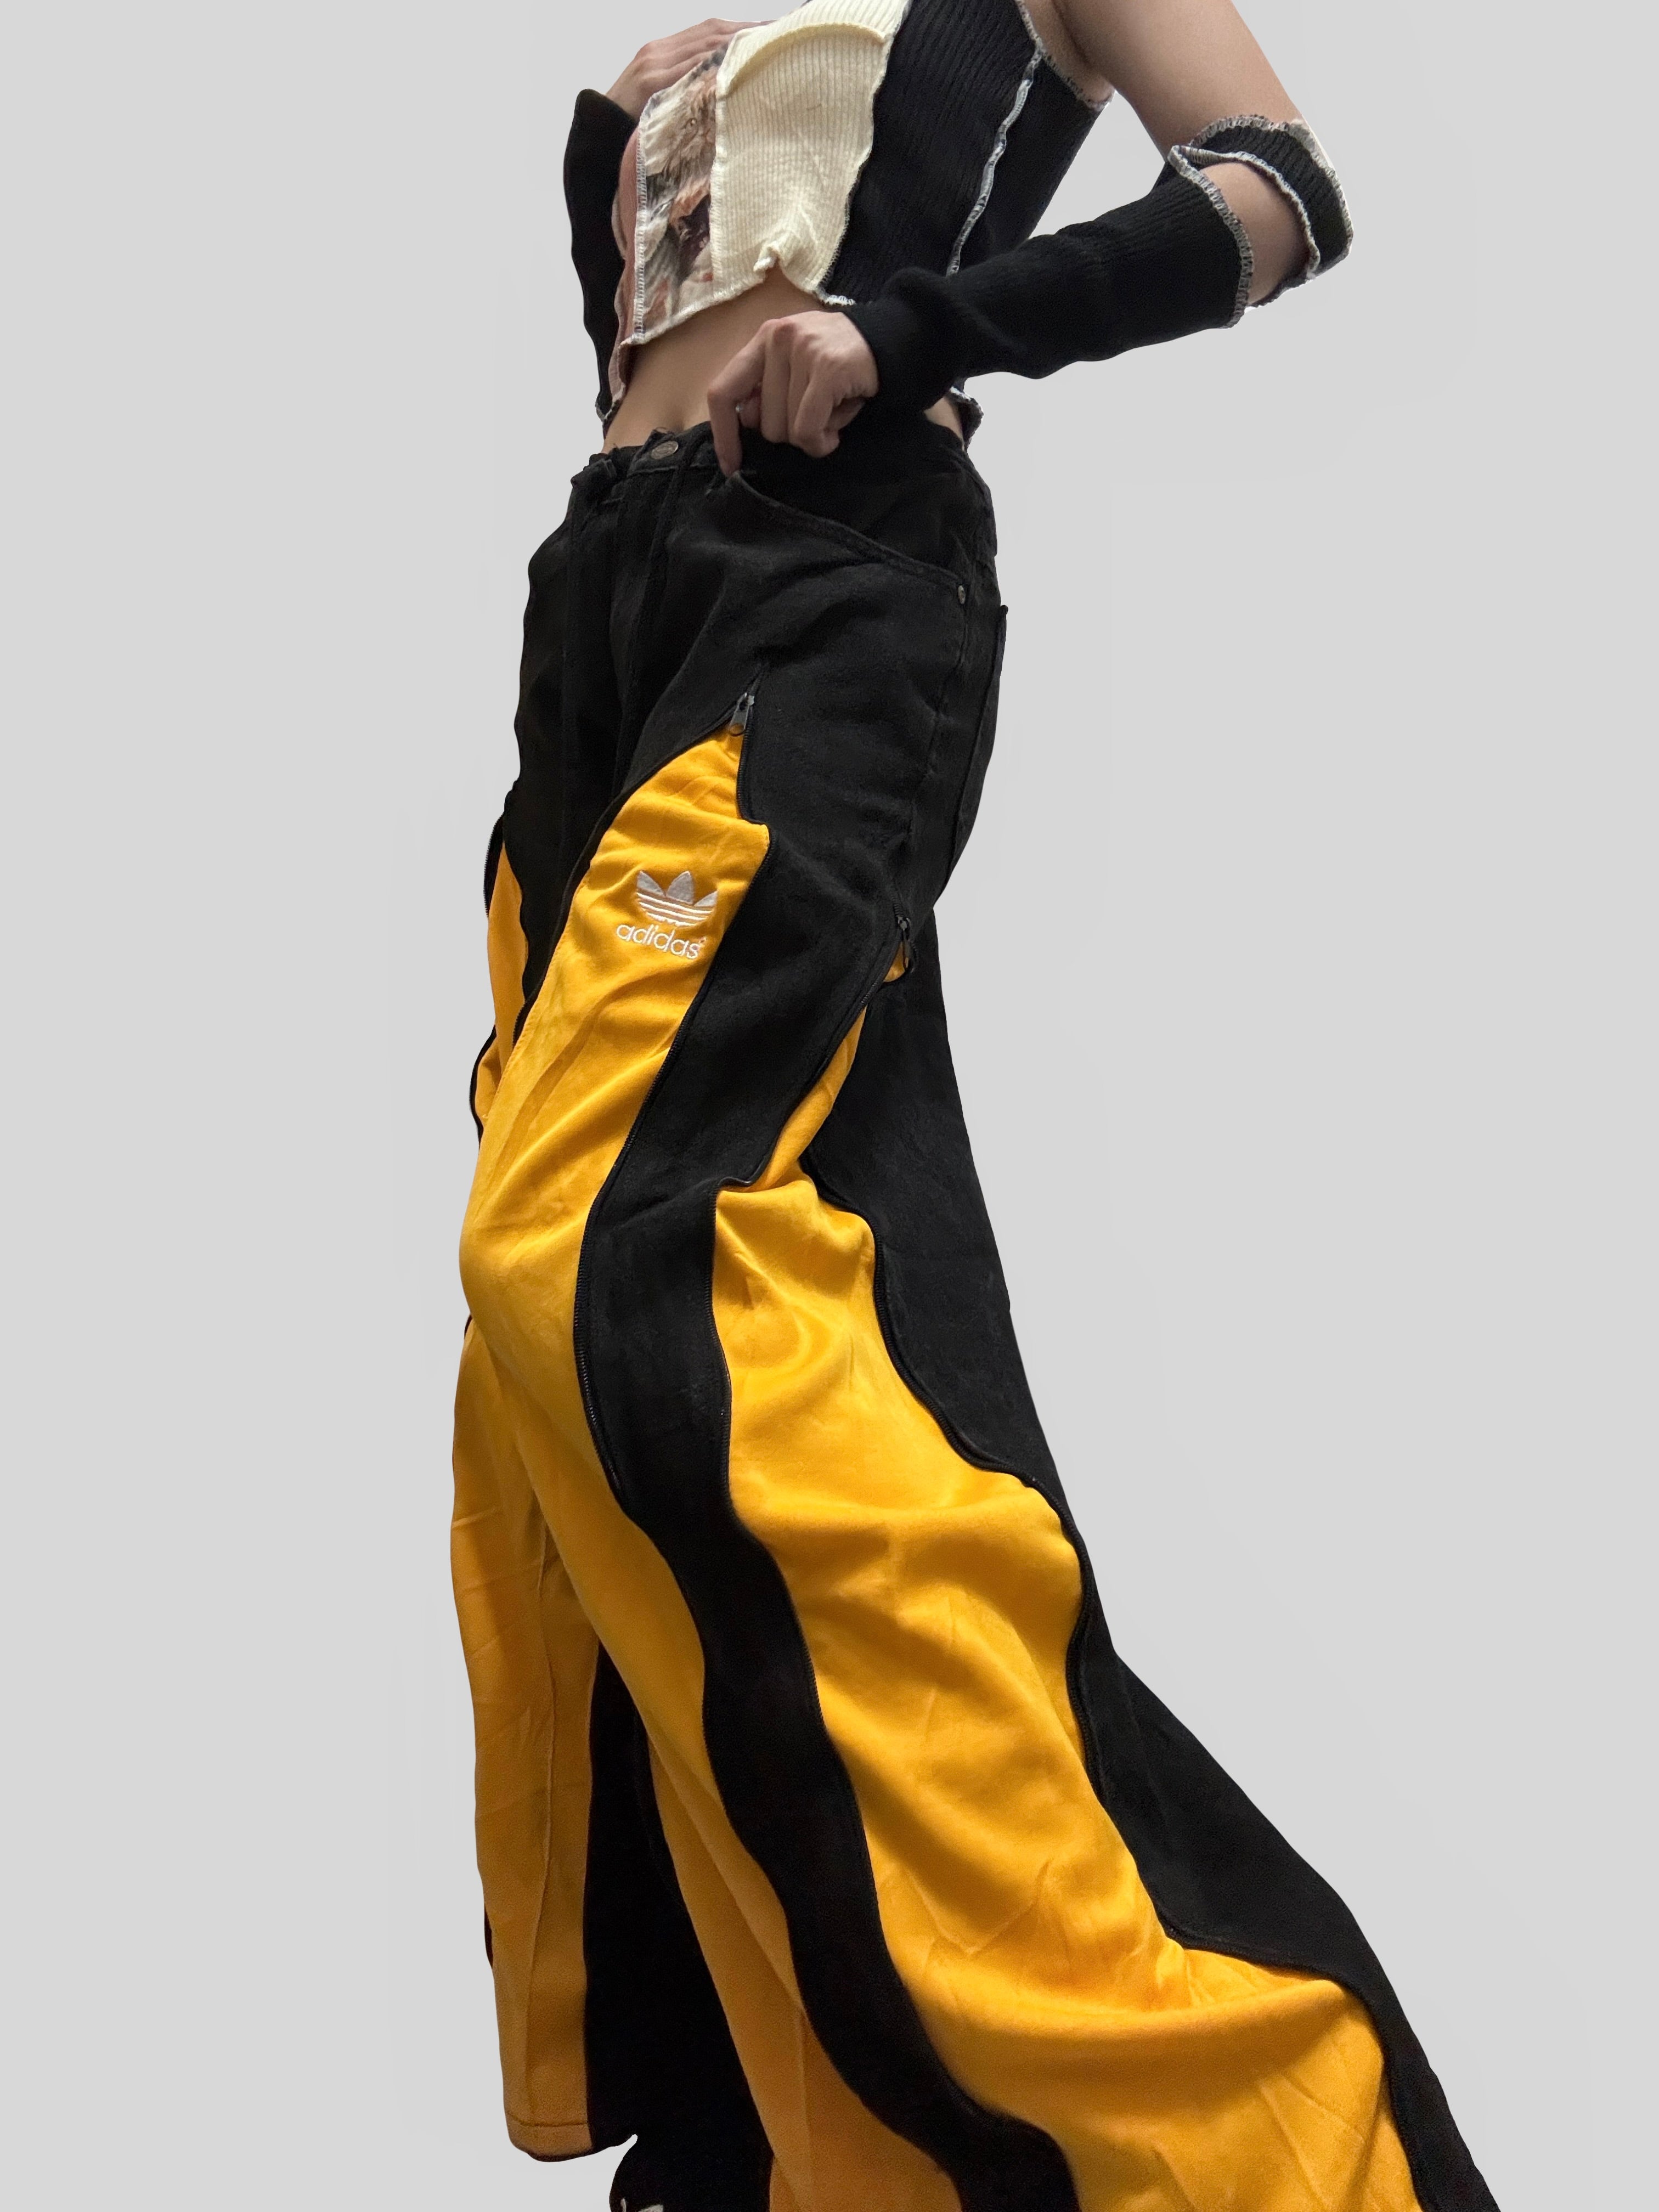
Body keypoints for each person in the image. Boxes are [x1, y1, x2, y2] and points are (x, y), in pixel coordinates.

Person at [450, 5, 1497, 2209]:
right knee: (605, 1403)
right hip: (610, 608)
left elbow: (1281, 202)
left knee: (612, 1272)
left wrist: (903, 331)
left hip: (823, 584)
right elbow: (665, 341)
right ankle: (787, 2148)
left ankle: (1261, 2134)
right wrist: (612, 164)